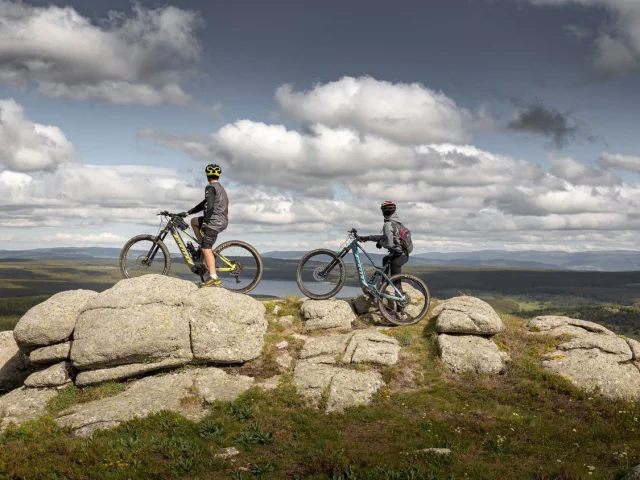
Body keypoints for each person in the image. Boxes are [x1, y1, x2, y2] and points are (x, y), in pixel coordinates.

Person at [179, 164, 229, 287]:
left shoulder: (210, 187)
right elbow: (204, 203)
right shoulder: (219, 187)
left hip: (214, 221)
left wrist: (206, 221)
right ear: (218, 175)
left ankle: (213, 277)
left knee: (207, 247)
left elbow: (209, 206)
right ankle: (202, 246)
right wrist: (188, 212)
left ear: (207, 175)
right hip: (220, 220)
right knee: (194, 221)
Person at [359, 200, 408, 278]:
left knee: (394, 269)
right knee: (385, 260)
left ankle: (398, 288)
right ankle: (383, 283)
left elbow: (389, 244)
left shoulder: (388, 224)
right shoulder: (396, 222)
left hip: (399, 254)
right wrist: (367, 238)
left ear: (383, 212)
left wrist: (380, 243)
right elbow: (386, 237)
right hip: (402, 252)